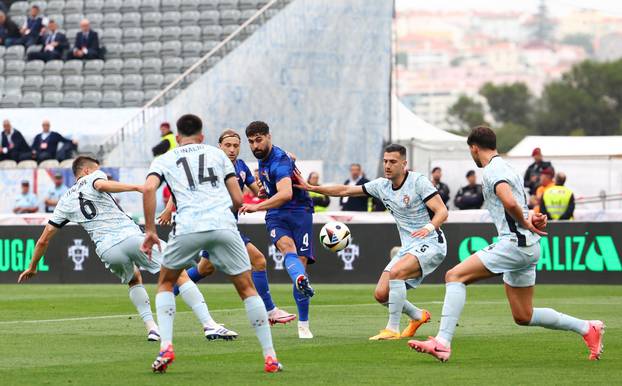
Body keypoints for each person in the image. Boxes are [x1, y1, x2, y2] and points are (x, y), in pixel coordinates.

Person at [408, 126, 604, 362]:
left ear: (474, 148)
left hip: (515, 244)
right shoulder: (508, 167)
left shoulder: (492, 170)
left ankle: (442, 342)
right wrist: (531, 217)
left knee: (454, 276)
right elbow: (517, 205)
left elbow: (510, 203)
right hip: (528, 246)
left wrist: (525, 222)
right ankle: (587, 328)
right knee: (523, 315)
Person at [18, 156, 234, 343]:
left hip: (107, 250)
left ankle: (152, 328)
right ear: (86, 170)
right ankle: (209, 324)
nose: (101, 173)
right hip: (130, 237)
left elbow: (43, 240)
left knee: (134, 279)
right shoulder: (94, 177)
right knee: (178, 273)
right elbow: (102, 186)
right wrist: (137, 187)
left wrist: (32, 266)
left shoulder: (64, 200)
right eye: (96, 168)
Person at [142, 115, 282, 373]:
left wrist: (150, 230)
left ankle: (166, 348)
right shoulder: (217, 155)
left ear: (176, 134)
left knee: (166, 282)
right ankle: (270, 356)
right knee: (247, 289)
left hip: (187, 228)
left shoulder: (164, 158)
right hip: (223, 225)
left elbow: (149, 189)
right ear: (203, 135)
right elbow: (238, 198)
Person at [295, 144, 448, 341]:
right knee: (381, 294)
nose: (388, 165)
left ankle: (392, 329)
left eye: (393, 161)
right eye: (385, 161)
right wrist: (313, 187)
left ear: (404, 163)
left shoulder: (418, 182)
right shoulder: (381, 186)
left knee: (396, 274)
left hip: (432, 242)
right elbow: (344, 190)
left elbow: (442, 211)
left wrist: (428, 228)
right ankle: (418, 316)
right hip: (410, 246)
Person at [160, 128, 296, 325]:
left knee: (205, 268)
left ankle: (166, 295)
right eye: (227, 145)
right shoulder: (211, 165)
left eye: (236, 146)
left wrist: (273, 179)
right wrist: (168, 208)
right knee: (258, 260)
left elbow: (259, 192)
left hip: (226, 225)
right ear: (219, 146)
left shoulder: (241, 166)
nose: (232, 149)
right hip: (215, 223)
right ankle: (270, 310)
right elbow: (186, 187)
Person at [240, 121, 316, 339]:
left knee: (298, 261)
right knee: (287, 248)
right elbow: (275, 190)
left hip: (299, 211)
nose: (255, 145)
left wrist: (256, 205)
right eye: (251, 142)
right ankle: (300, 283)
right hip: (276, 215)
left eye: (259, 140)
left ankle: (303, 323)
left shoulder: (279, 162)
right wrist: (265, 191)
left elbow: (285, 194)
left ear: (269, 137)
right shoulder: (266, 159)